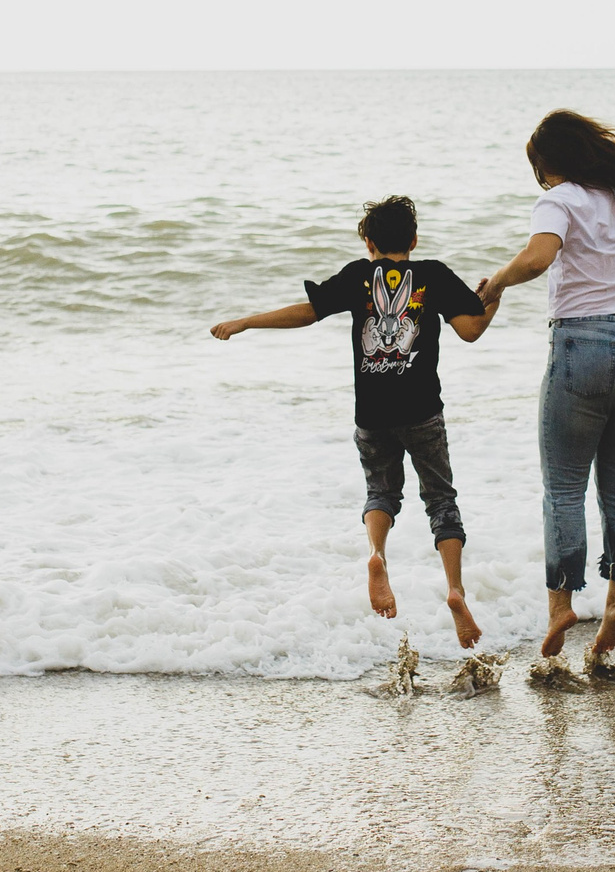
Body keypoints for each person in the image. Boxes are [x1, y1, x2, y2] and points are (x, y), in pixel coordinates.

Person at [210, 195, 494, 649]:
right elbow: (472, 329)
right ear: (414, 240)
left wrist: (246, 322)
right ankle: (455, 591)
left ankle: (377, 555)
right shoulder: (435, 275)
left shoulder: (358, 276)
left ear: (368, 242)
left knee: (381, 492)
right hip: (423, 412)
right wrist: (493, 295)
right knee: (441, 500)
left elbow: (307, 313)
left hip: (372, 415)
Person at [476, 111, 615, 676]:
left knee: (562, 488)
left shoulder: (558, 201)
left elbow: (538, 257)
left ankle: (561, 607)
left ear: (546, 165)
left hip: (583, 347)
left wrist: (497, 282)